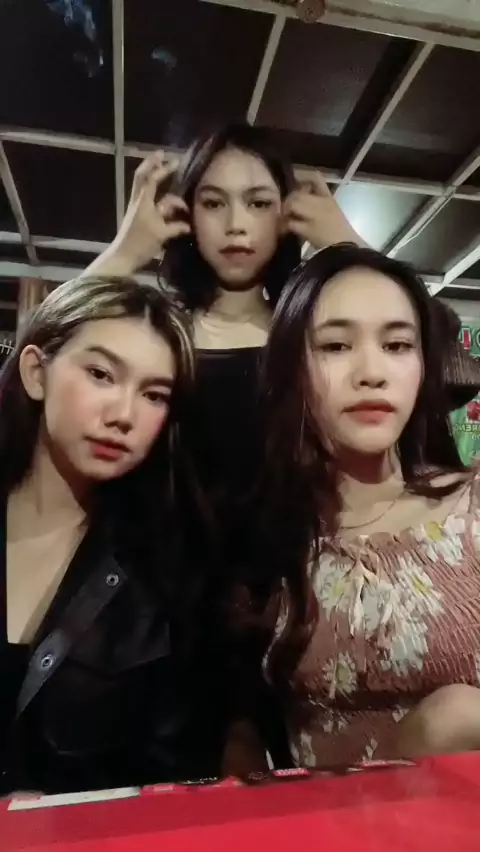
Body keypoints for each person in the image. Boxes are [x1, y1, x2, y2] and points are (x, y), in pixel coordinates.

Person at [82, 124, 366, 769]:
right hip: (164, 610)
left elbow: (443, 371)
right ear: (186, 215)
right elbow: (37, 373)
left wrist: (345, 244)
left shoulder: (311, 336)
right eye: (214, 202)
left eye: (258, 202)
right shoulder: (162, 335)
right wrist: (125, 251)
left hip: (299, 603)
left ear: (286, 215)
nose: (236, 224)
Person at [249, 243, 480, 769]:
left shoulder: (472, 507)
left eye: (397, 345)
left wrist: (448, 725)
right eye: (335, 346)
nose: (371, 372)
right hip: (320, 818)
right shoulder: (264, 535)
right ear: (293, 369)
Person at [0, 275, 216, 795]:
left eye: (154, 395)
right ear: (36, 373)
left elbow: (176, 770)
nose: (123, 415)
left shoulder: (172, 569)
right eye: (100, 374)